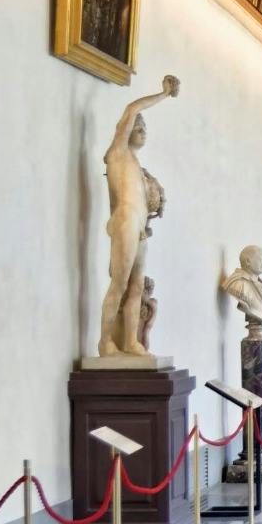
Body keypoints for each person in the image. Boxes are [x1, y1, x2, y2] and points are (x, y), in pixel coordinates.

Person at [97, 75, 179, 357]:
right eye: (139, 126)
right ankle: (105, 341)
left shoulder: (137, 165)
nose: (143, 129)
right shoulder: (117, 154)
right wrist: (164, 94)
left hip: (140, 227)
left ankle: (131, 341)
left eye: (145, 127)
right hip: (125, 221)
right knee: (119, 283)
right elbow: (131, 109)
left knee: (136, 287)